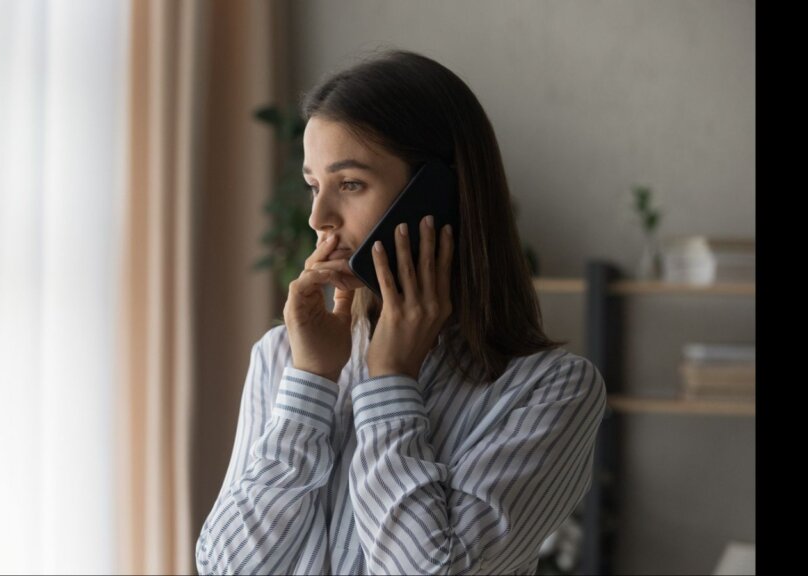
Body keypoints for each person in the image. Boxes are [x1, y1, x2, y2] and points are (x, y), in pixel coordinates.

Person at [195, 49, 606, 576]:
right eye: (313, 186)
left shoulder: (551, 391)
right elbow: (227, 568)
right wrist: (310, 383)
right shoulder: (284, 358)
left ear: (436, 197)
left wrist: (390, 382)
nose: (318, 217)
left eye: (350, 184)